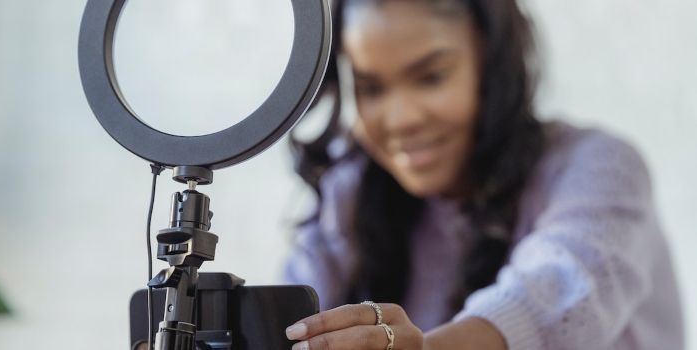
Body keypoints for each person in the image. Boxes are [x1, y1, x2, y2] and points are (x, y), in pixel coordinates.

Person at [283, 0, 683, 349]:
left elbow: (556, 291)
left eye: (431, 77)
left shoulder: (599, 168)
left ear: (492, 61)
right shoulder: (350, 190)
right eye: (370, 89)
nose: (401, 119)